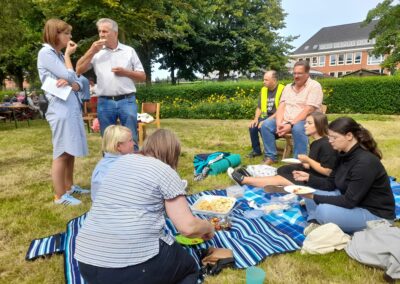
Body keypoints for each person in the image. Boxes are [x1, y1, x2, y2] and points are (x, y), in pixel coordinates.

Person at [75, 129, 214, 284]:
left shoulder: (120, 162)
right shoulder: (164, 171)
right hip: (129, 268)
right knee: (188, 268)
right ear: (172, 153)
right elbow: (188, 228)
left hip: (87, 262)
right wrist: (208, 227)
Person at [293, 117, 395, 234]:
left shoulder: (365, 162)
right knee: (311, 191)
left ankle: (320, 219)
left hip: (375, 215)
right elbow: (331, 184)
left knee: (323, 210)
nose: (330, 141)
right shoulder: (342, 154)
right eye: (329, 137)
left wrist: (313, 197)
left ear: (349, 136)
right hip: (354, 203)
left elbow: (349, 201)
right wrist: (308, 178)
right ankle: (315, 221)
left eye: (334, 137)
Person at [37, 19, 89, 206]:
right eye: (66, 33)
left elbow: (75, 81)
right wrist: (68, 57)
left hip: (69, 106)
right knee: (61, 151)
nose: (70, 37)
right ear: (55, 34)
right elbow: (69, 75)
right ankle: (60, 196)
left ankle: (69, 187)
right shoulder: (46, 53)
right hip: (59, 108)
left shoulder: (57, 55)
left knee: (71, 149)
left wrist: (71, 81)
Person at [76, 18, 146, 150]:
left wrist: (126, 72)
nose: (101, 34)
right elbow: (78, 70)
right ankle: (110, 167)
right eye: (100, 31)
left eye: (105, 31)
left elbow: (142, 76)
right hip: (105, 102)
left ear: (115, 33)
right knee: (108, 139)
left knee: (131, 136)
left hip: (127, 100)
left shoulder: (129, 51)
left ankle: (134, 166)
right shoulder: (96, 53)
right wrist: (91, 50)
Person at [228, 112, 337, 188]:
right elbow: (314, 164)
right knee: (283, 170)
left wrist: (307, 160)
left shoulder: (326, 144)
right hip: (311, 173)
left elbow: (328, 171)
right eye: (305, 122)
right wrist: (305, 163)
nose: (305, 126)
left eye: (309, 123)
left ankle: (244, 180)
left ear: (319, 126)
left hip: (319, 181)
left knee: (282, 178)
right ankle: (254, 174)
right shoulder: (316, 143)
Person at [260, 60, 323, 165]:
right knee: (266, 125)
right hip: (286, 120)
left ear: (307, 74)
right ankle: (271, 156)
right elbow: (282, 106)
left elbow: (309, 109)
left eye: (300, 73)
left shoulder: (314, 86)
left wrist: (290, 124)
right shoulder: (288, 87)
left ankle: (298, 160)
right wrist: (279, 123)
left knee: (298, 128)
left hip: (305, 120)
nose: (296, 76)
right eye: (294, 73)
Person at [247, 70, 284, 159]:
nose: (264, 82)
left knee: (263, 126)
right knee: (252, 126)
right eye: (264, 79)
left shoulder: (283, 89)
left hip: (279, 117)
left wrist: (267, 121)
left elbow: (282, 109)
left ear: (274, 80)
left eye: (266, 80)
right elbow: (259, 107)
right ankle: (256, 150)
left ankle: (270, 152)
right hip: (265, 117)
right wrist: (256, 119)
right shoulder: (263, 90)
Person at [91, 125, 134, 201]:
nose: (133, 144)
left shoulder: (102, 164)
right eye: (130, 141)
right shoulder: (125, 166)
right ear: (118, 146)